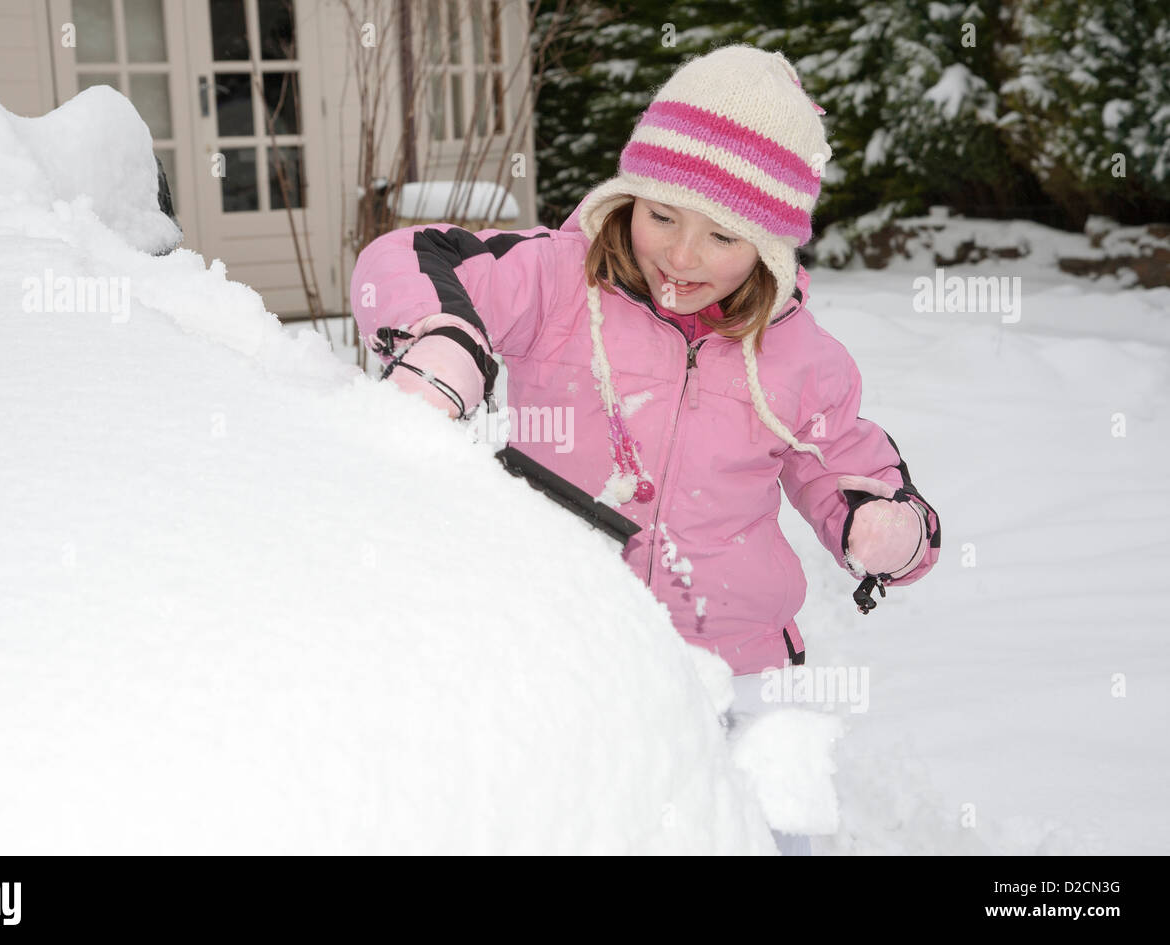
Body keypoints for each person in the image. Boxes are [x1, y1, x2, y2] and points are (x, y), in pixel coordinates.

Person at [349, 44, 941, 854]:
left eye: (721, 235)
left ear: (770, 247)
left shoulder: (801, 358)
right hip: (579, 652)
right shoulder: (559, 282)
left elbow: (848, 466)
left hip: (744, 673)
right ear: (629, 195)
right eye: (661, 215)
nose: (681, 254)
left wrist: (884, 523)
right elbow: (406, 257)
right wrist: (443, 336)